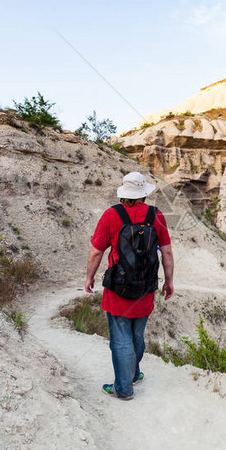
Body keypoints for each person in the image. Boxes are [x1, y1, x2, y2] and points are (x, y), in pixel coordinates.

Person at [85, 171, 174, 400]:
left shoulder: (112, 215)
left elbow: (96, 251)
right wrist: (169, 281)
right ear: (144, 194)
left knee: (121, 339)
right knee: (136, 334)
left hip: (118, 288)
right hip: (146, 287)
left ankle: (123, 388)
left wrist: (90, 278)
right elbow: (166, 251)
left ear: (124, 194)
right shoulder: (156, 215)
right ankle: (133, 374)